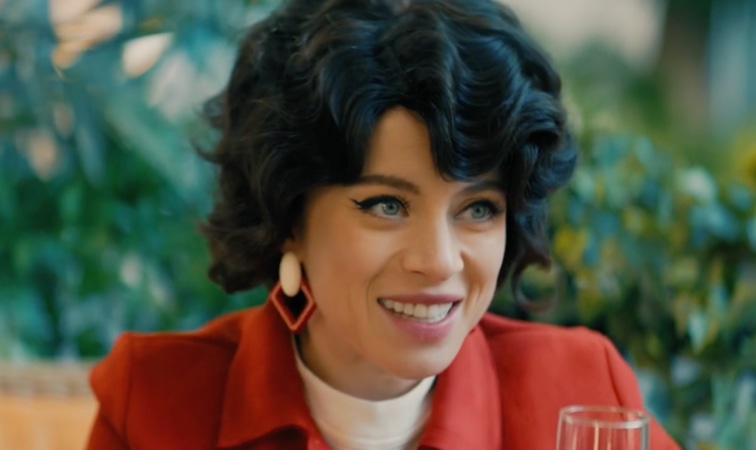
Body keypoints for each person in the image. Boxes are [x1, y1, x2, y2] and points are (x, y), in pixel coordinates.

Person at [86, 0, 682, 449]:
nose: (439, 261)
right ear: (288, 215)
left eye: (478, 209)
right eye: (387, 205)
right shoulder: (156, 405)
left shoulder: (580, 388)